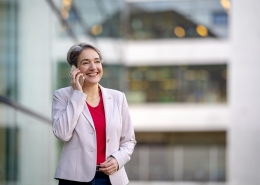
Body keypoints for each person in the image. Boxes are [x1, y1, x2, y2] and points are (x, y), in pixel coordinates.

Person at [52, 42, 136, 185]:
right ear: (75, 69)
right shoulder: (62, 96)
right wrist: (77, 95)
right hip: (74, 178)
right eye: (86, 63)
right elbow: (62, 133)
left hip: (112, 178)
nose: (93, 67)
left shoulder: (118, 98)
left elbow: (128, 140)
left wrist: (117, 160)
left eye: (97, 61)